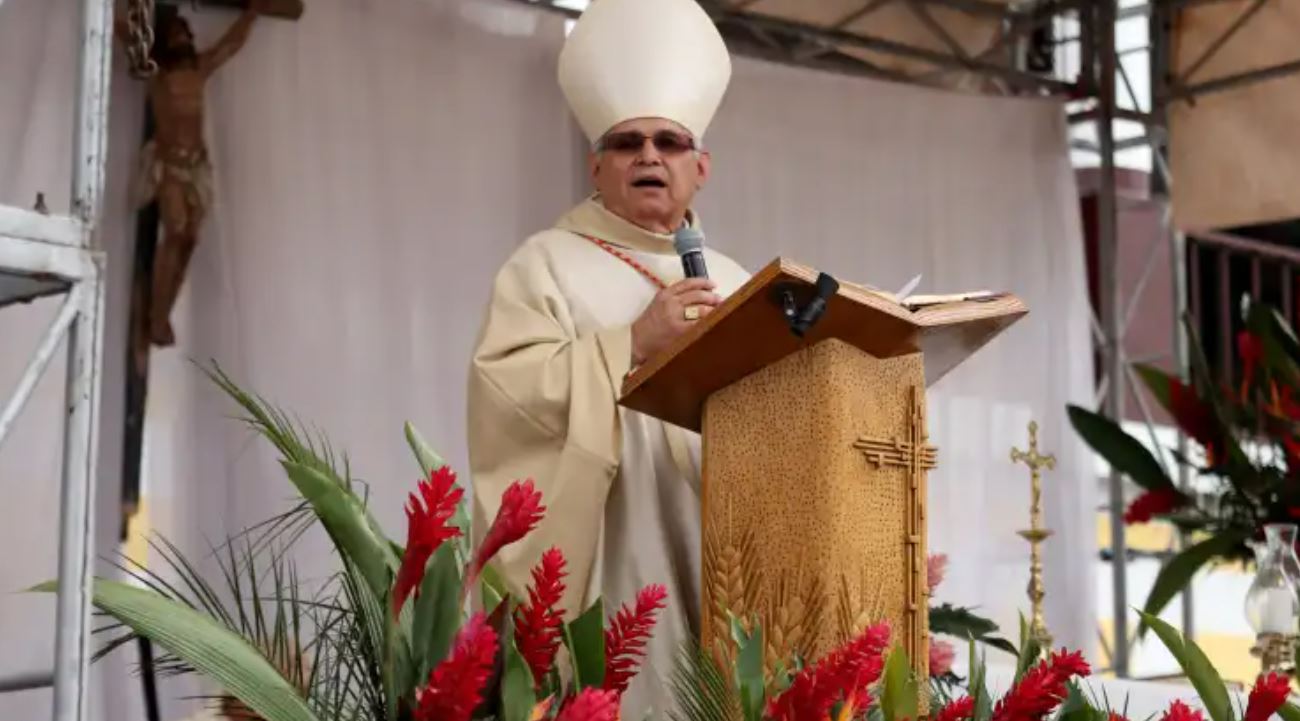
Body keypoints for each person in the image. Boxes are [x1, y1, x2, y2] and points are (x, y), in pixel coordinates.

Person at [466, 0, 750, 715]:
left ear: (701, 166)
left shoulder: (743, 282)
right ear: (597, 164)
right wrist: (628, 346)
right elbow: (505, 395)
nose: (649, 156)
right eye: (627, 142)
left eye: (669, 141)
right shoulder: (544, 267)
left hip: (725, 558)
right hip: (622, 552)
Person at [115, 1, 265, 350]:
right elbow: (125, 34)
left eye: (187, 35)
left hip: (196, 166)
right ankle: (155, 316)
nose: (185, 40)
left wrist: (253, 12)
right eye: (178, 35)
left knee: (189, 241)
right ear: (167, 42)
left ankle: (163, 312)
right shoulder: (156, 74)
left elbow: (231, 44)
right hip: (169, 165)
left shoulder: (200, 69)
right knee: (176, 232)